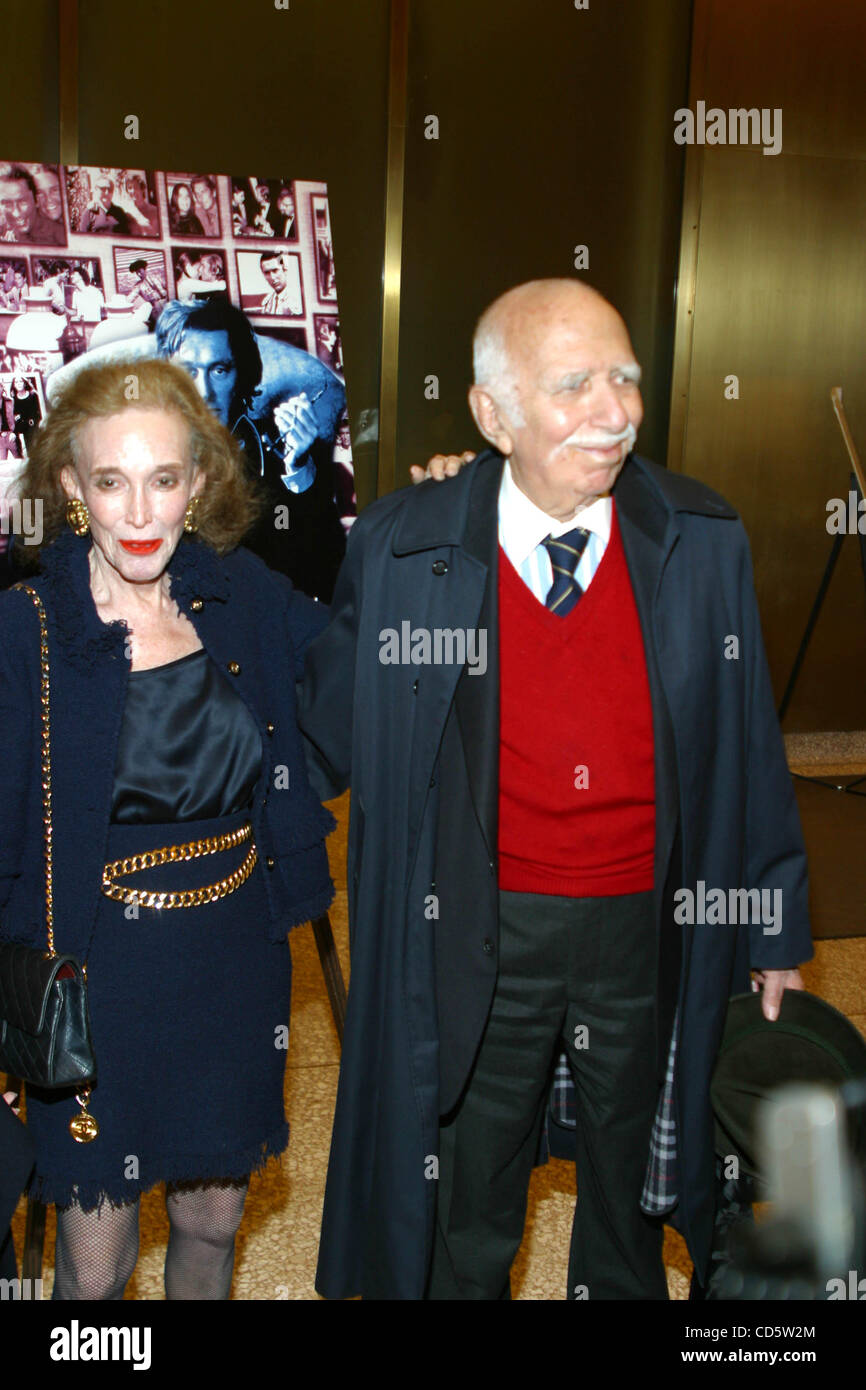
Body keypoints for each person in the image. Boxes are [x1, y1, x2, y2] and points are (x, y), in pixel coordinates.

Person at [298, 278, 813, 1301]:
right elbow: (326, 734)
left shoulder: (700, 539)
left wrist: (772, 924)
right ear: (492, 415)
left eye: (622, 378)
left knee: (634, 1181)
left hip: (648, 924)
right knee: (470, 1188)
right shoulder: (410, 548)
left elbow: (748, 741)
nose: (613, 410)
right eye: (572, 384)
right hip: (480, 929)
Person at [0, 356, 336, 1299]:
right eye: (111, 481)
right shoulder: (26, 631)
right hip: (96, 979)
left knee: (212, 1225)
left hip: (232, 966)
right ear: (71, 488)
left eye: (163, 479)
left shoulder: (246, 598)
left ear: (199, 484)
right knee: (95, 1272)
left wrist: (450, 514)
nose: (140, 513)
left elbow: (371, 666)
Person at [155, 298, 346, 599]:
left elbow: (327, 575)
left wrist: (300, 472)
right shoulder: (140, 454)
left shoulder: (276, 452)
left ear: (241, 374)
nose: (204, 392)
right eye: (189, 372)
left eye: (219, 370)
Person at [0, 164, 65, 245]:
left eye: (22, 202)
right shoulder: (4, 232)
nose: (16, 213)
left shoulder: (60, 235)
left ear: (36, 200)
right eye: (8, 204)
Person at [125, 258, 167, 327]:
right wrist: (122, 303)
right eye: (137, 272)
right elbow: (130, 297)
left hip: (166, 303)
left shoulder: (156, 277)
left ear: (144, 269)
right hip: (156, 309)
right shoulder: (138, 286)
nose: (139, 274)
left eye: (140, 271)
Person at [259, 251, 300, 316]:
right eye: (267, 273)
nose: (272, 277)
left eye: (275, 270)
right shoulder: (267, 301)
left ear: (285, 270)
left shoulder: (298, 300)